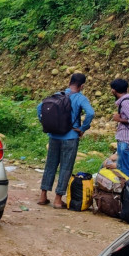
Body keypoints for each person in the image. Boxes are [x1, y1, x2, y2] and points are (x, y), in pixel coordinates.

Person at [36, 73, 95, 208]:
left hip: (54, 136)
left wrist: (46, 124)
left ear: (70, 82)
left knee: (50, 165)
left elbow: (39, 108)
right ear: (82, 85)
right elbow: (90, 113)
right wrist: (82, 128)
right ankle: (57, 200)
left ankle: (43, 196)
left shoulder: (57, 95)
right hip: (70, 137)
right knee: (65, 167)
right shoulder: (80, 98)